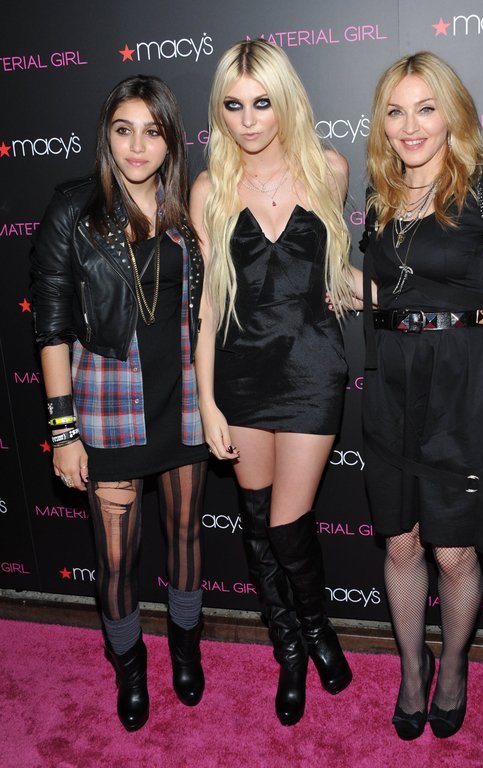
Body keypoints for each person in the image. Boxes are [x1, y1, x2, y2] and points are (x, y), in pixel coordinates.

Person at [359, 52, 483, 740]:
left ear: (451, 114)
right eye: (395, 111)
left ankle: (456, 664)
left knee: (453, 553)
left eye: (425, 108)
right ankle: (413, 668)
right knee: (400, 544)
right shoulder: (381, 194)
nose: (409, 126)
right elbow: (383, 289)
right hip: (391, 387)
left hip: (461, 387)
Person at [31, 75, 208, 732]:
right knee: (115, 556)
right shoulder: (73, 209)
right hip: (108, 402)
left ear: (171, 139)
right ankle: (129, 665)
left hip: (185, 397)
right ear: (106, 135)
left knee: (186, 535)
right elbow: (51, 326)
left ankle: (185, 648)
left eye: (152, 132)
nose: (137, 146)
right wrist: (63, 430)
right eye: (123, 130)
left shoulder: (190, 207)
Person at [190, 39, 354, 726]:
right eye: (233, 106)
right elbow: (207, 307)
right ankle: (289, 648)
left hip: (312, 367)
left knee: (289, 525)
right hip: (240, 370)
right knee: (257, 522)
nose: (249, 119)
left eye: (261, 103)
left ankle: (317, 627)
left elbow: (339, 275)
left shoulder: (329, 170)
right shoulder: (209, 189)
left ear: (285, 101)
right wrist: (206, 401)